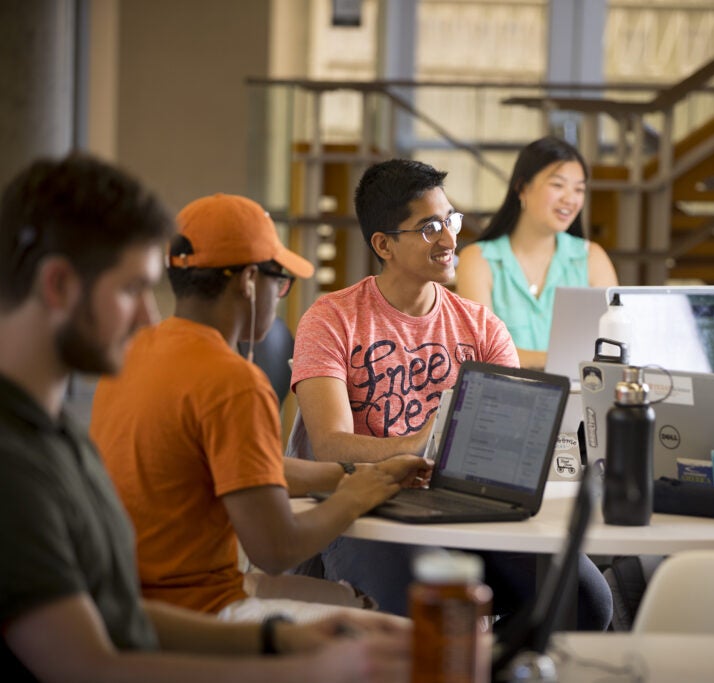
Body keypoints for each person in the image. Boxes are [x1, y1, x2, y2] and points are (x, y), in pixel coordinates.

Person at [0, 154, 409, 682]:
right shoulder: (14, 462)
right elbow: (85, 666)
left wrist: (278, 639)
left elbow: (115, 614)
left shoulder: (54, 435)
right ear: (57, 285)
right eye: (131, 289)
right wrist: (308, 669)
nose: (150, 317)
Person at [289, 158, 613, 629]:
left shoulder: (482, 326)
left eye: (451, 220)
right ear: (384, 244)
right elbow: (330, 444)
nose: (449, 239)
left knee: (586, 600)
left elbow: (513, 439)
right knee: (437, 615)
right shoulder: (331, 319)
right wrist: (421, 443)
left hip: (468, 507)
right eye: (428, 228)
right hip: (366, 508)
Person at [90, 193, 432, 621]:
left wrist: (358, 473)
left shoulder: (133, 354)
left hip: (130, 600)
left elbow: (250, 468)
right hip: (202, 608)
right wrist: (356, 498)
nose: (280, 295)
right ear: (250, 281)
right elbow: (275, 548)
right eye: (280, 281)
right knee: (398, 630)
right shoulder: (232, 381)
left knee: (358, 602)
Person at [455, 136, 618, 369]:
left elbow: (612, 345)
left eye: (579, 189)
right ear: (522, 188)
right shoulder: (478, 260)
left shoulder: (592, 258)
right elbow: (483, 352)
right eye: (557, 185)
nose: (570, 199)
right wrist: (566, 360)